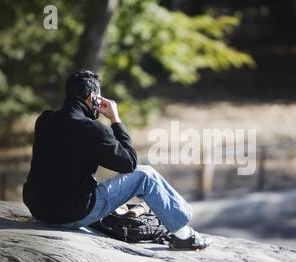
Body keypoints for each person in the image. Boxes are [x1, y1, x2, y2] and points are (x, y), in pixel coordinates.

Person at [22, 70, 211, 250]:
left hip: (38, 210)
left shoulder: (45, 119)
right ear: (94, 98)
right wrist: (115, 119)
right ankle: (185, 236)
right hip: (70, 215)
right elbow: (129, 163)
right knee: (146, 175)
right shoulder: (94, 129)